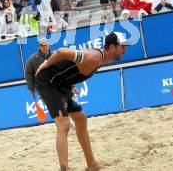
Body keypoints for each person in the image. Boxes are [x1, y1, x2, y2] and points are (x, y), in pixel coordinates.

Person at [35, 32, 130, 171]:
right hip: (48, 82)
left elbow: (70, 69)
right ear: (112, 47)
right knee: (64, 125)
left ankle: (91, 164)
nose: (125, 50)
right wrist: (46, 63)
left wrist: (71, 84)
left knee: (81, 119)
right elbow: (62, 52)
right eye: (122, 46)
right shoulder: (93, 57)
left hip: (63, 84)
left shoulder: (102, 60)